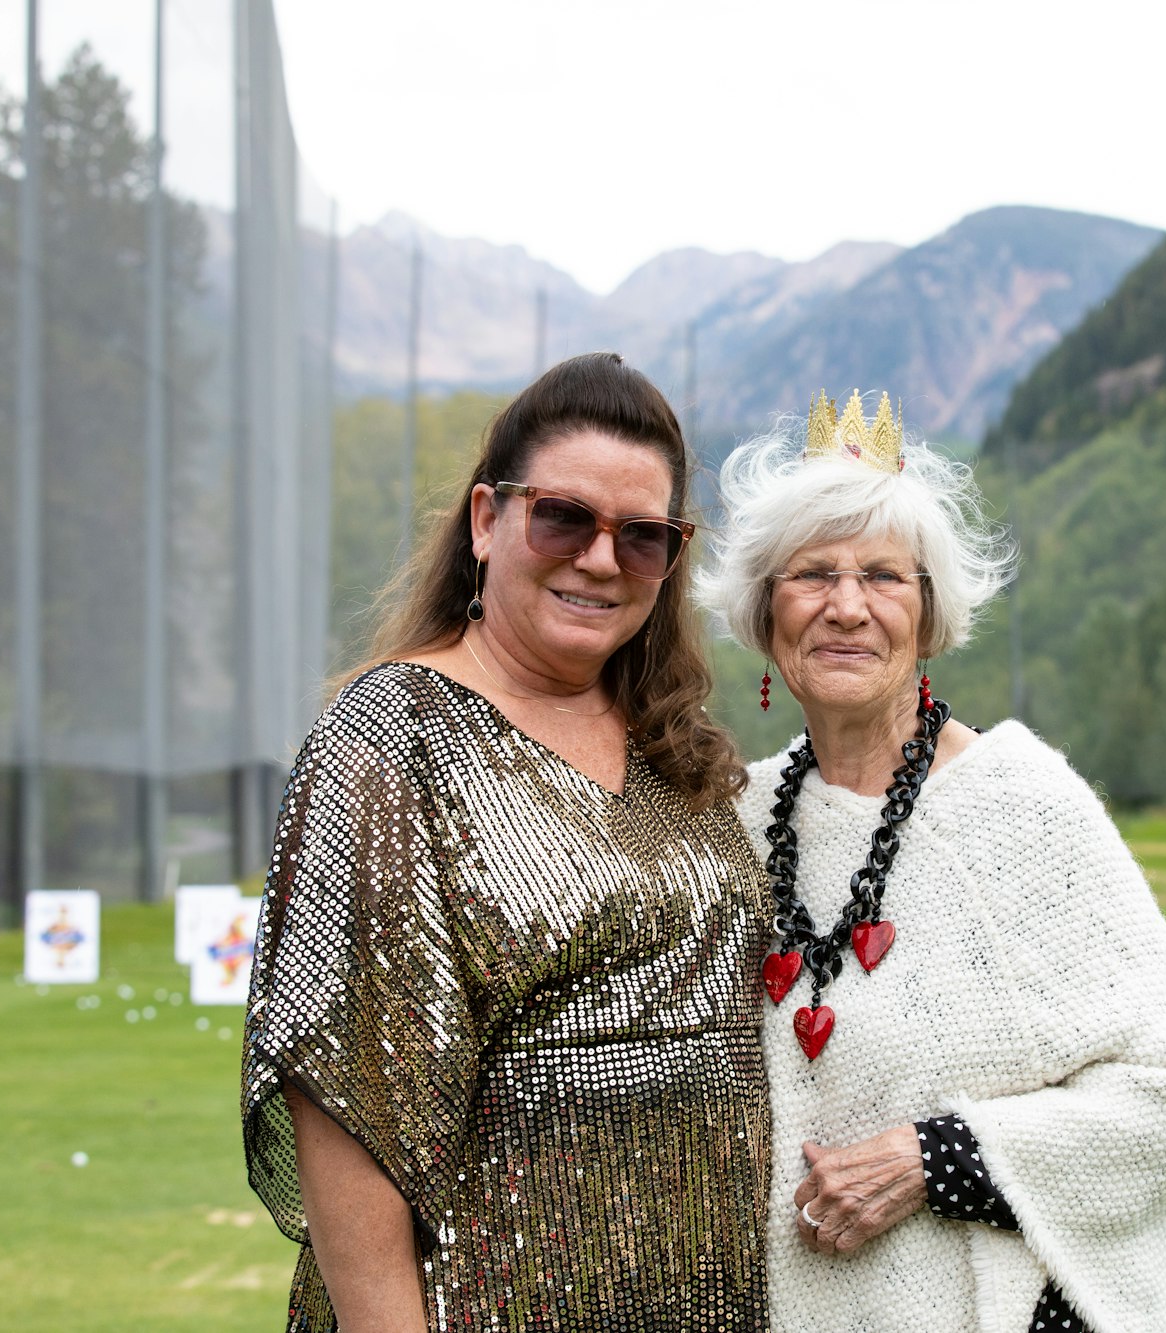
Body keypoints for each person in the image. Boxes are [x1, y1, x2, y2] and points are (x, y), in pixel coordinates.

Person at [241, 353, 772, 1332]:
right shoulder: (389, 736)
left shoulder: (673, 747)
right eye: (563, 517)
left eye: (644, 537)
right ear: (487, 519)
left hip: (700, 1296)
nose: (601, 559)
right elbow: (342, 1096)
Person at [700, 391, 1166, 1333]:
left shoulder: (1023, 807)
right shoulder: (732, 818)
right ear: (764, 612)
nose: (847, 606)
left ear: (929, 613)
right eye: (812, 574)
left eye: (884, 577)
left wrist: (931, 1158)